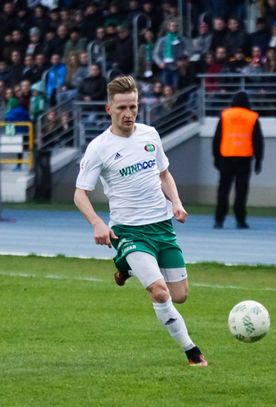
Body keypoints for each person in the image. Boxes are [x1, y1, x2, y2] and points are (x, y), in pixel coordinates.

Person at [73, 75, 208, 367]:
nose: (128, 113)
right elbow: (80, 194)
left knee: (180, 295)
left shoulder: (150, 134)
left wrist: (176, 203)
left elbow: (164, 174)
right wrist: (97, 223)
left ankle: (124, 266)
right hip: (129, 231)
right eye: (122, 107)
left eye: (133, 106)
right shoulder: (99, 147)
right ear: (109, 109)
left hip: (162, 227)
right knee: (160, 293)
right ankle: (192, 351)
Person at [212, 91, 264, 230]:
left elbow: (217, 138)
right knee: (241, 190)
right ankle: (240, 220)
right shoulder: (252, 116)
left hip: (226, 156)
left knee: (223, 190)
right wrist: (259, 160)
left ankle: (219, 219)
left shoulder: (225, 115)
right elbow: (258, 141)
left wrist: (216, 157)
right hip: (244, 158)